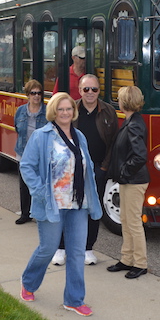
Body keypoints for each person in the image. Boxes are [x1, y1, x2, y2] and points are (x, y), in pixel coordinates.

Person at [19, 92, 103, 316]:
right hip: (52, 204)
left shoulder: (80, 137)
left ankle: (74, 300)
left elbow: (88, 166)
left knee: (76, 252)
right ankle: (28, 282)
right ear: (53, 112)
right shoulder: (41, 136)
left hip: (78, 205)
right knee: (48, 249)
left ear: (73, 112)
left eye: (68, 109)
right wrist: (39, 192)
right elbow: (26, 166)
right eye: (60, 109)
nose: (65, 113)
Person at [51, 74, 117, 266]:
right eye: (86, 89)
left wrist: (104, 168)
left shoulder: (109, 112)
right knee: (66, 207)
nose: (90, 93)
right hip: (71, 167)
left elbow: (113, 143)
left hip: (97, 168)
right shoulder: (71, 110)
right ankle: (61, 248)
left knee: (92, 209)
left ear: (99, 91)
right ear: (79, 91)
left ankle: (88, 248)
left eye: (94, 89)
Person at [106, 85, 151, 279]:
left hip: (134, 180)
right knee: (126, 219)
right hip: (130, 179)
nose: (118, 100)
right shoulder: (132, 121)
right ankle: (127, 259)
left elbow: (140, 156)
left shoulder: (133, 124)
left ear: (125, 102)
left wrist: (124, 171)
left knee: (132, 222)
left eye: (120, 98)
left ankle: (140, 263)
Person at [14, 79, 47, 225]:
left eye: (39, 93)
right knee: (24, 184)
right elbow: (17, 129)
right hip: (23, 153)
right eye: (33, 93)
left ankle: (42, 214)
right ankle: (25, 214)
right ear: (27, 94)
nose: (36, 96)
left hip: (42, 155)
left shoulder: (47, 112)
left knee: (41, 183)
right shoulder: (20, 111)